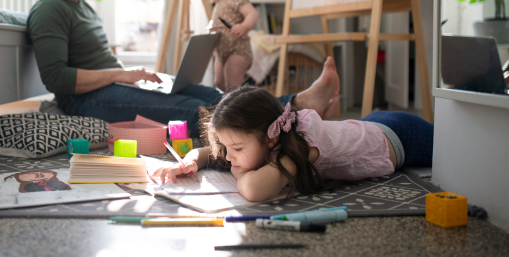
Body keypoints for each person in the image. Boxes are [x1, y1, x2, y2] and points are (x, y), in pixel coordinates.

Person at [27, 0, 339, 138]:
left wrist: (130, 76)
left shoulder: (83, 8)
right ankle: (295, 123)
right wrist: (119, 76)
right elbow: (57, 80)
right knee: (194, 112)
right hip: (85, 100)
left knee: (217, 97)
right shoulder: (49, 10)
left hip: (112, 84)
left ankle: (296, 102)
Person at [152, 86, 433, 203]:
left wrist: (240, 172)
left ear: (270, 137)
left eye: (236, 149)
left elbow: (252, 189)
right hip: (368, 124)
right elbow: (207, 153)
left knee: (467, 149)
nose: (228, 157)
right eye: (226, 148)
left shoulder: (300, 149)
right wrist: (189, 161)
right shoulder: (260, 140)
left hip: (400, 137)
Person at [190, 0, 259, 92]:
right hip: (221, 53)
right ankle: (228, 106)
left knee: (232, 85)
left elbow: (252, 14)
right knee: (219, 83)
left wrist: (244, 26)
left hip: (237, 50)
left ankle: (234, 109)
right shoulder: (219, 2)